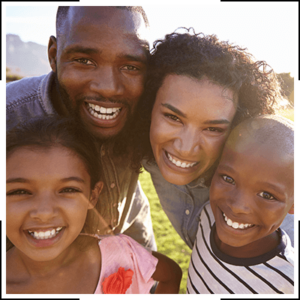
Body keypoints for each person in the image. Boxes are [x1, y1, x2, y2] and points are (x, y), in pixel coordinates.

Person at [6, 6, 156, 250]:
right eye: (84, 61)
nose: (109, 88)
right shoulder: (10, 117)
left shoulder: (149, 108)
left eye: (130, 66)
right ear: (54, 55)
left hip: (132, 243)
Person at [131, 29, 294, 248]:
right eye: (173, 117)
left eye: (213, 129)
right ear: (148, 108)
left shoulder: (277, 217)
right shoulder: (147, 152)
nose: (186, 148)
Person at [6, 116, 182, 294]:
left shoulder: (121, 256)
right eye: (20, 192)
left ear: (92, 195)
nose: (44, 213)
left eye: (68, 190)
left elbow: (171, 274)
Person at [186, 115, 294, 294]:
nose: (237, 206)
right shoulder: (207, 217)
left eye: (266, 195)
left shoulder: (288, 282)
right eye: (228, 178)